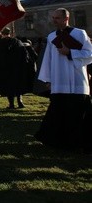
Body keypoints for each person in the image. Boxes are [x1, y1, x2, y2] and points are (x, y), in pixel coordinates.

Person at [35, 8, 92, 151]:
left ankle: (78, 142)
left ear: (66, 18)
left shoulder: (80, 33)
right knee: (59, 112)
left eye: (57, 18)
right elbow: (48, 59)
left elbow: (89, 53)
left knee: (77, 113)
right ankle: (58, 141)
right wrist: (48, 79)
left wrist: (70, 52)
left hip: (77, 80)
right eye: (53, 18)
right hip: (58, 80)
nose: (54, 20)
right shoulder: (51, 36)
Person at [0, 27, 33, 108]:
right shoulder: (17, 42)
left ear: (3, 34)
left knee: (8, 86)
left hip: (6, 69)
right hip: (17, 69)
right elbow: (25, 55)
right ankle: (20, 102)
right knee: (18, 85)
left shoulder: (1, 43)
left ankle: (12, 104)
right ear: (10, 34)